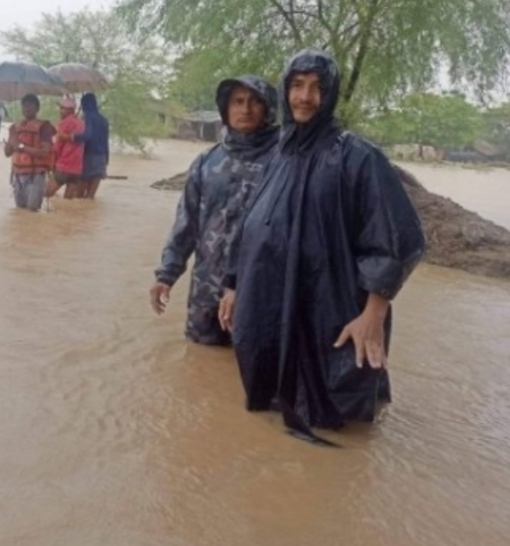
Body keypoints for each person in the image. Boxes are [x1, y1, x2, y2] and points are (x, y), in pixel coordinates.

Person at [218, 49, 425, 440]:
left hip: (331, 310)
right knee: (272, 411)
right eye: (297, 86)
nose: (305, 97)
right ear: (285, 90)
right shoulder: (280, 153)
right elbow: (252, 224)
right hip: (271, 302)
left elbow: (397, 240)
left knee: (337, 417)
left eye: (317, 88)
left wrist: (373, 314)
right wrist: (233, 284)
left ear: (330, 95)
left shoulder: (357, 157)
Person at [150, 75, 280, 345]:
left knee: (254, 368)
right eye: (238, 101)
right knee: (200, 366)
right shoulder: (206, 162)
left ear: (269, 109)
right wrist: (166, 275)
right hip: (205, 290)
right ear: (225, 108)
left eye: (255, 102)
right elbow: (186, 224)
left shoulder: (284, 163)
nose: (245, 109)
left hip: (259, 293)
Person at [4, 94, 55, 211]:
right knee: (20, 213)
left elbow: (44, 152)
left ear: (37, 108)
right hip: (17, 176)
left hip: (35, 176)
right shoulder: (15, 127)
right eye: (24, 106)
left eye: (30, 106)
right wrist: (10, 143)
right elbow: (7, 153)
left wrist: (21, 146)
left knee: (32, 211)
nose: (27, 109)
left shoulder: (44, 127)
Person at [46, 96, 85, 200]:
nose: (60, 111)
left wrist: (52, 163)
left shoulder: (65, 123)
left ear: (70, 110)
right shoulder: (81, 123)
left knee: (46, 193)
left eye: (63, 108)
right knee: (67, 201)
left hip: (64, 166)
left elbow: (57, 147)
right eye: (61, 108)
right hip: (77, 169)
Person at [73, 93, 110, 199]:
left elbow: (88, 135)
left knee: (78, 195)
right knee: (90, 197)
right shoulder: (104, 120)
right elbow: (106, 141)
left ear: (84, 105)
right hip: (101, 158)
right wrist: (107, 159)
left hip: (88, 156)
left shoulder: (88, 118)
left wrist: (74, 137)